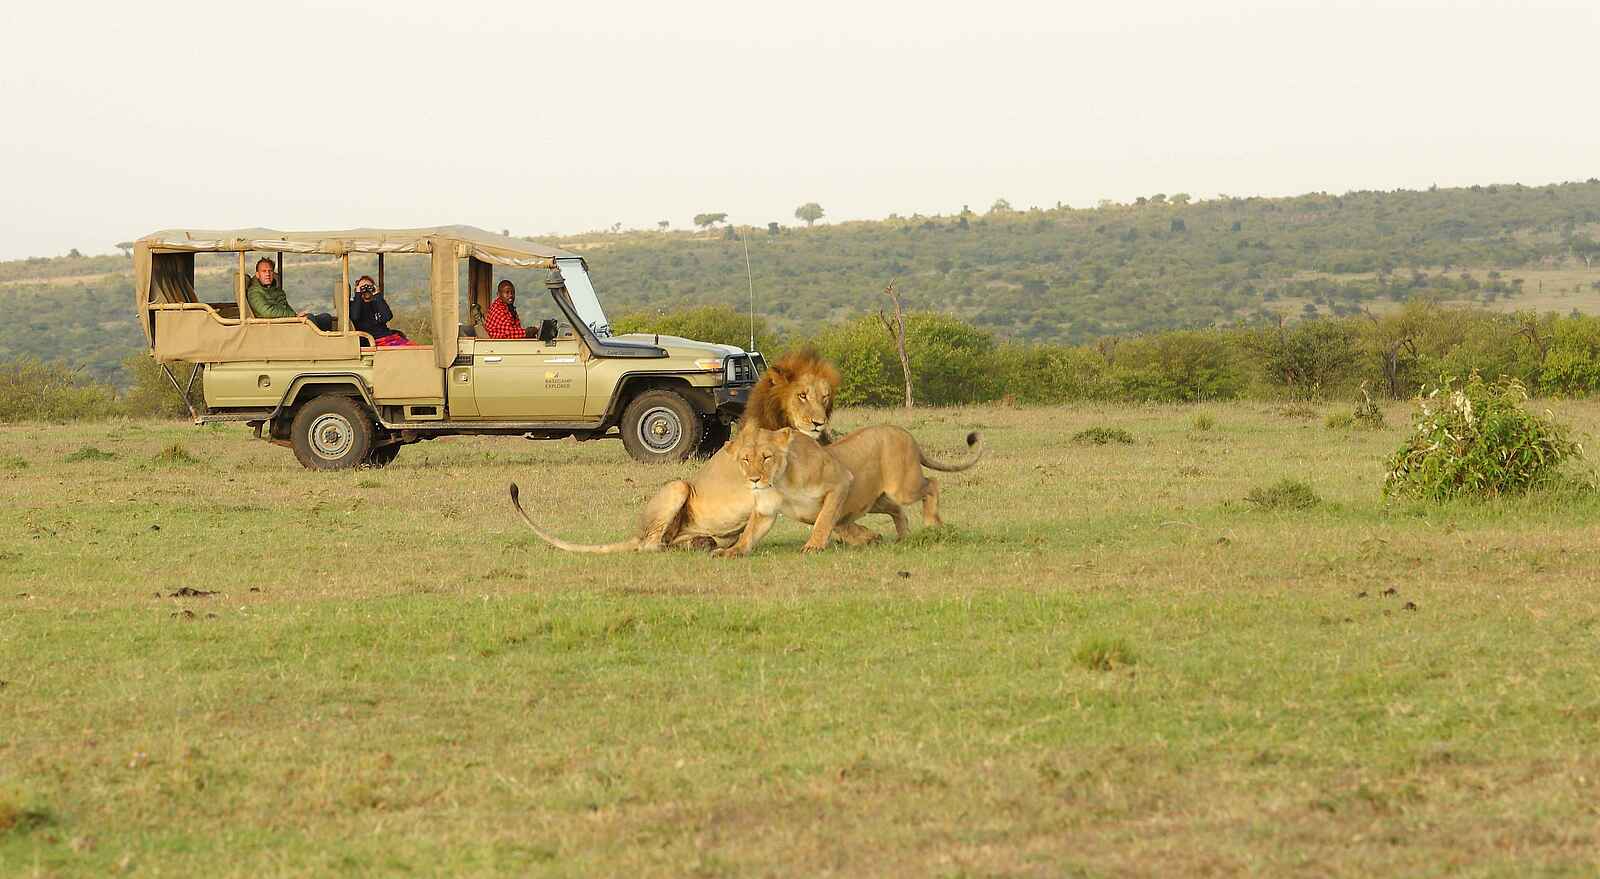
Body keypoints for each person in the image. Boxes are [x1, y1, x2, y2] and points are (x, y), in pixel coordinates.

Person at [245, 257, 334, 331]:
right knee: (309, 318)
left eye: (270, 271)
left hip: (285, 322)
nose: (268, 274)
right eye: (264, 271)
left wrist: (296, 316)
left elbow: (285, 307)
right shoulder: (254, 292)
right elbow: (267, 312)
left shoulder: (275, 290)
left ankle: (325, 346)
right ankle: (313, 346)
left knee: (325, 318)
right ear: (257, 274)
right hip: (273, 327)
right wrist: (294, 316)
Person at [349, 275, 412, 346]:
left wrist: (377, 295)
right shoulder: (354, 305)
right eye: (363, 287)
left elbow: (387, 317)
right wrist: (358, 294)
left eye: (369, 287)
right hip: (372, 340)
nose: (366, 290)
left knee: (415, 348)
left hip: (387, 337)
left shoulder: (377, 303)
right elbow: (355, 316)